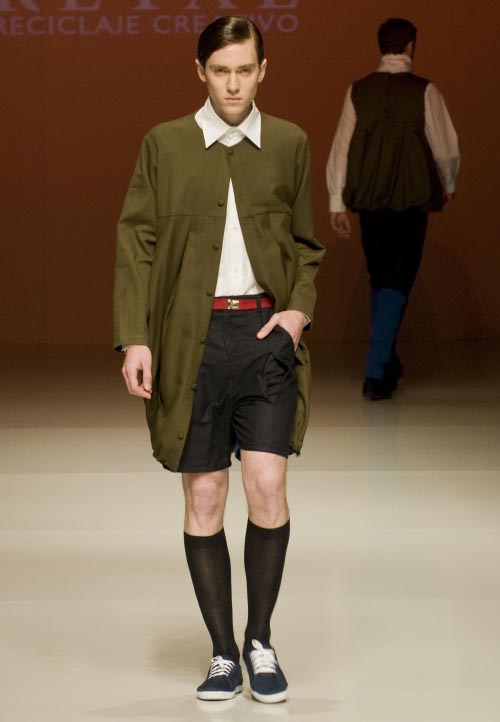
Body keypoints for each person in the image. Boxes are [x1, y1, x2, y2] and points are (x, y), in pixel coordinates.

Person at [113, 16, 324, 703]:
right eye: (220, 70)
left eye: (244, 70)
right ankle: (222, 653)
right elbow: (136, 242)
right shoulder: (165, 144)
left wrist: (297, 313)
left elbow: (307, 243)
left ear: (263, 71)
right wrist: (135, 336)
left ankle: (260, 641)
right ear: (200, 71)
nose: (233, 84)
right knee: (204, 494)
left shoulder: (288, 142)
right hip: (189, 339)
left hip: (264, 335)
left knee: (267, 484)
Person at [326, 17, 460, 399]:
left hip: (370, 199)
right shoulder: (425, 91)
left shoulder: (358, 90)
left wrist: (336, 201)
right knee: (398, 278)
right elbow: (446, 150)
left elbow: (341, 149)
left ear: (380, 45)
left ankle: (387, 361)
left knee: (381, 276)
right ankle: (376, 368)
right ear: (411, 45)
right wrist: (449, 185)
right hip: (411, 197)